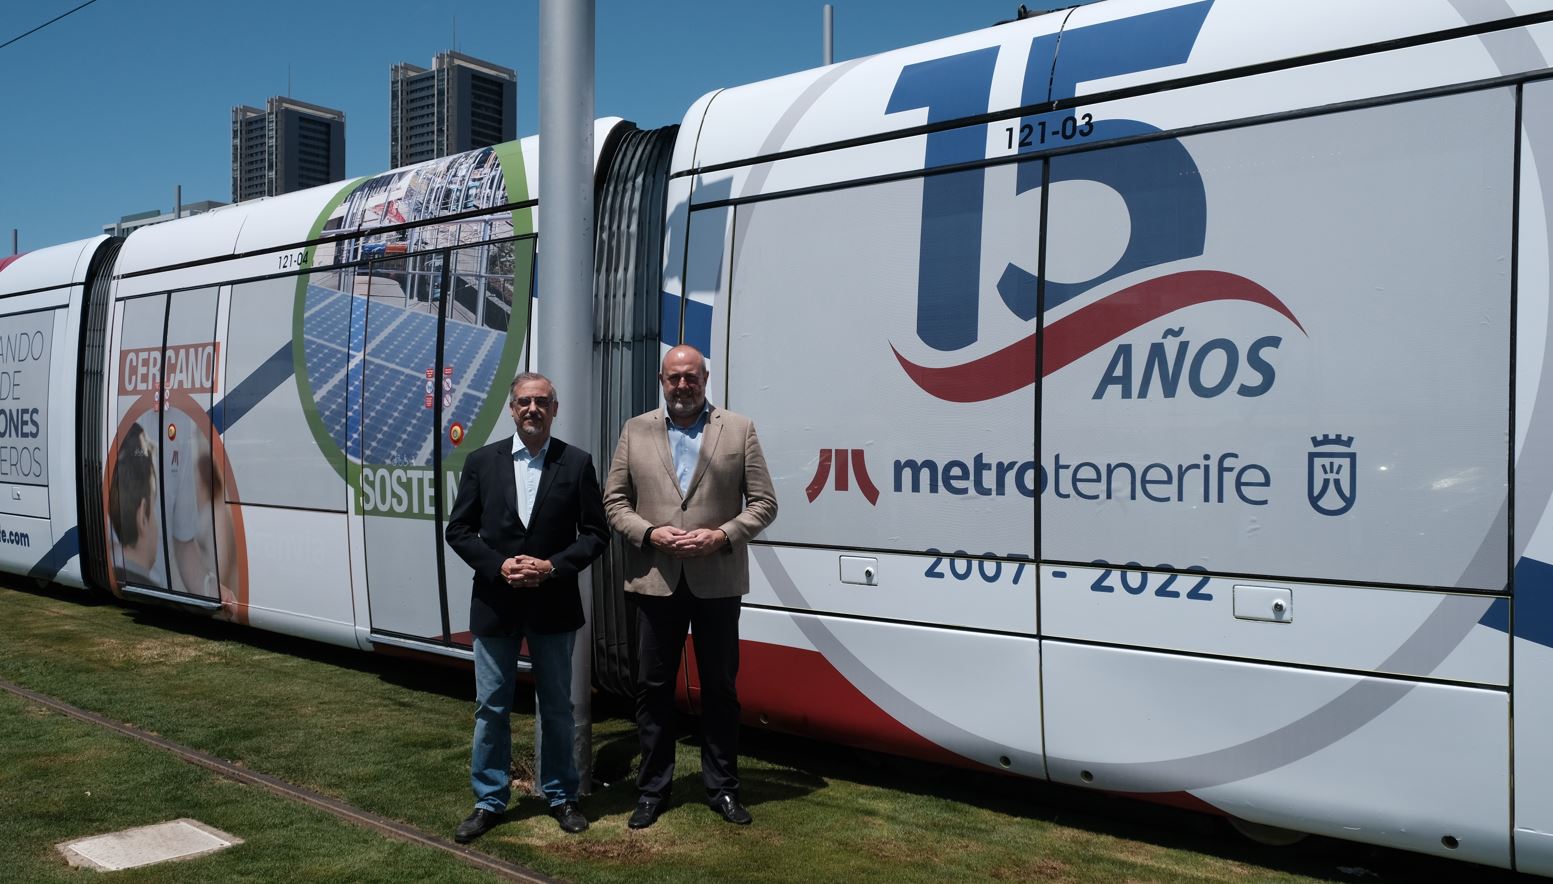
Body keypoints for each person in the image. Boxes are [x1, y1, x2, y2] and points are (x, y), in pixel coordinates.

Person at [603, 344, 778, 828]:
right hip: (655, 580)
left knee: (720, 690)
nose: (683, 386)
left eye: (691, 377)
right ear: (662, 381)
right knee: (653, 689)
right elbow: (614, 502)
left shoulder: (738, 429)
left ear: (705, 379)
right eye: (674, 378)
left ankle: (722, 788)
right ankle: (653, 790)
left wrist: (722, 535)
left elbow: (764, 503)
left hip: (717, 580)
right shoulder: (635, 430)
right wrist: (650, 532)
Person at [445, 372, 609, 840]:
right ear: (511, 409)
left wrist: (551, 567)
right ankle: (489, 799)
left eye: (541, 401)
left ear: (554, 409)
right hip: (496, 603)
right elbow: (458, 530)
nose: (532, 409)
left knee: (557, 706)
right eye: (524, 402)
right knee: (490, 707)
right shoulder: (481, 462)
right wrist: (500, 566)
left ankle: (561, 795)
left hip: (553, 604)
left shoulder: (576, 464)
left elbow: (597, 535)